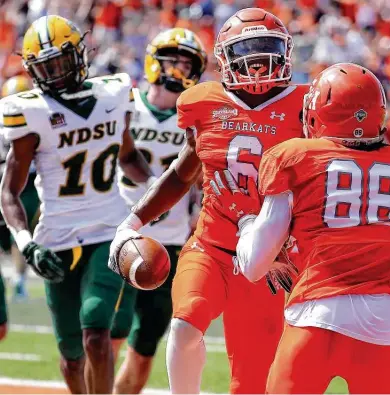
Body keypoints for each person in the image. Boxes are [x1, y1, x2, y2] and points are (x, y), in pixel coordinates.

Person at [109, 8, 308, 394]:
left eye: (267, 49)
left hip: (269, 259)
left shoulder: (305, 107)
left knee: (250, 381)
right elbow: (183, 172)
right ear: (225, 58)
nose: (258, 61)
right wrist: (132, 222)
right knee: (184, 324)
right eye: (247, 50)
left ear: (286, 52)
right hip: (211, 244)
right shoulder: (203, 102)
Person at [210, 63, 390, 394]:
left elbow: (256, 264)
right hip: (382, 319)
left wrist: (244, 223)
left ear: (318, 114)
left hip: (315, 311)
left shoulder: (296, 156)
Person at [0, 15, 154, 394]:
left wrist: (154, 189)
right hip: (55, 237)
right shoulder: (29, 110)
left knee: (96, 334)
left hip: (108, 229)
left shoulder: (114, 93)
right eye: (44, 67)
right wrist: (26, 243)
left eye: (60, 62)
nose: (54, 74)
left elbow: (129, 156)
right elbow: (9, 191)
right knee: (71, 356)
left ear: (79, 54)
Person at [110, 27, 206, 394]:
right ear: (153, 61)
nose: (180, 69)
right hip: (125, 237)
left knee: (145, 347)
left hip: (173, 245)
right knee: (108, 336)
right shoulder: (126, 106)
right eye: (173, 59)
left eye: (187, 62)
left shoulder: (198, 117)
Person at [0, 75, 37, 301]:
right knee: (18, 234)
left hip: (23, 182)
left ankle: (19, 281)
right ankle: (18, 281)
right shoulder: (32, 120)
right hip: (21, 181)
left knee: (19, 235)